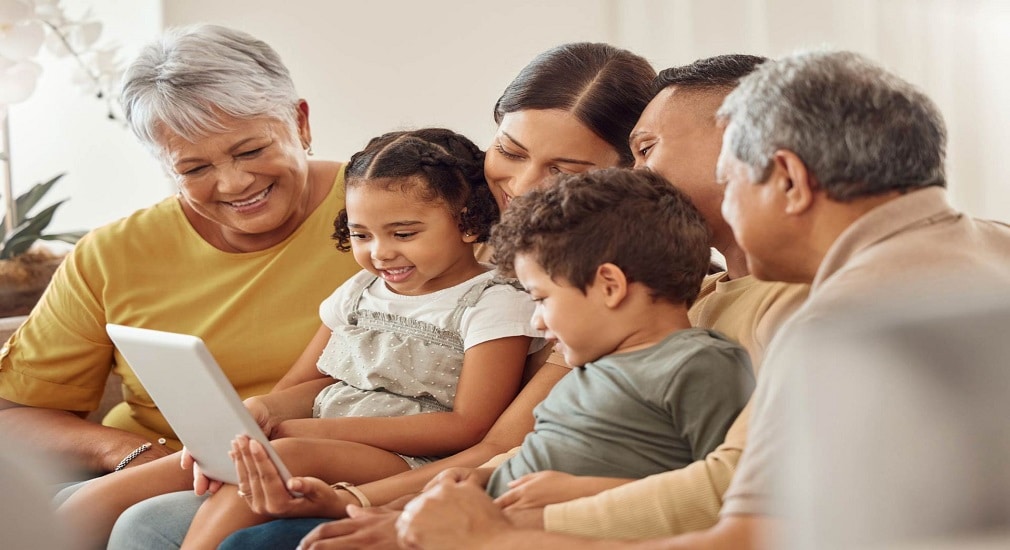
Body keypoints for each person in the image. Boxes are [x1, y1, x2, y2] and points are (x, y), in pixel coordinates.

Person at [394, 50, 1010, 550]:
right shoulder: (988, 249)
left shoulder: (844, 316)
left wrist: (499, 536)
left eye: (734, 176)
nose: (634, 183)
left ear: (789, 180)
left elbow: (745, 527)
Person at [243, 54, 813, 550]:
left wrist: (486, 523)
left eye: (645, 150)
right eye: (511, 151)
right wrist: (372, 505)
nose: (522, 186)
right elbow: (525, 454)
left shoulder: (708, 314)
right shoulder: (656, 296)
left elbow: (727, 488)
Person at [104, 41, 658, 550]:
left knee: (153, 525)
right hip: (347, 458)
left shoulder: (569, 292)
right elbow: (313, 379)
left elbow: (489, 445)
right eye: (510, 151)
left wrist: (354, 497)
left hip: (421, 475)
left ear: (628, 166)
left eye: (563, 169)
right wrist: (262, 417)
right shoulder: (433, 234)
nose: (519, 184)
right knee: (135, 513)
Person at [57, 127, 546, 549]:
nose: (380, 253)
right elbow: (309, 383)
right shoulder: (359, 293)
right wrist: (263, 412)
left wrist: (311, 432)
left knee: (282, 452)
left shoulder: (494, 300)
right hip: (318, 441)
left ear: (469, 223)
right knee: (95, 495)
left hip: (406, 460)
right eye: (361, 235)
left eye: (403, 232)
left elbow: (468, 425)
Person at [0, 24, 360, 476]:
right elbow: (13, 416)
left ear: (300, 122)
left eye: (250, 150)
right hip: (164, 473)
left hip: (332, 468)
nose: (233, 183)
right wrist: (126, 453)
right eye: (194, 168)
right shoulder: (112, 255)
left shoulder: (397, 207)